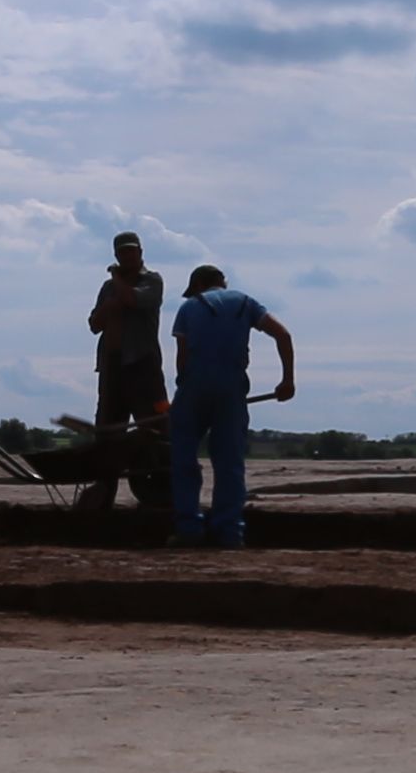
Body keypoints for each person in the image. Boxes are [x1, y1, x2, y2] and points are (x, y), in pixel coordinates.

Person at [164, 261, 295, 547]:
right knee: (229, 461)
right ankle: (229, 532)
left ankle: (189, 529)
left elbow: (182, 358)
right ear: (221, 282)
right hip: (232, 387)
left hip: (195, 384)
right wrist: (287, 381)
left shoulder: (189, 307)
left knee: (184, 457)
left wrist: (183, 393)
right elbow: (283, 335)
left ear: (198, 285)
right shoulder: (245, 303)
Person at [87, 231, 167, 527]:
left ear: (140, 252)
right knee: (107, 433)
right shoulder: (108, 288)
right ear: (117, 255)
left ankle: (164, 495)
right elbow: (95, 324)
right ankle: (103, 497)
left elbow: (133, 300)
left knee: (157, 428)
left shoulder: (152, 280)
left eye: (131, 251)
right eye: (122, 253)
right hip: (111, 369)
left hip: (143, 367)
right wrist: (110, 303)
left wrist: (117, 281)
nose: (127, 257)